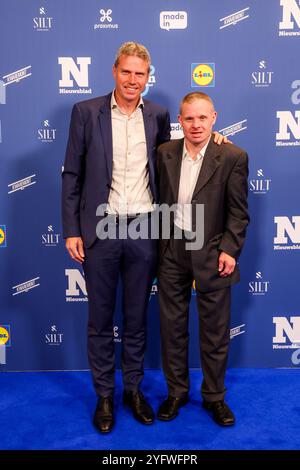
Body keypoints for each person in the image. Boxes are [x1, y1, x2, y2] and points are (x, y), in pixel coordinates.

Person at [62, 42, 227, 434]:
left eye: (140, 74)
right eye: (127, 72)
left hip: (145, 230)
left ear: (147, 77)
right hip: (100, 228)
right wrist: (71, 229)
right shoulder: (85, 113)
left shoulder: (158, 114)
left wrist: (216, 140)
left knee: (136, 319)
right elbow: (72, 175)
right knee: (100, 320)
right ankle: (104, 395)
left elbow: (180, 151)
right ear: (114, 71)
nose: (133, 80)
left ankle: (132, 391)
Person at [156, 92, 249, 426]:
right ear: (179, 122)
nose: (196, 125)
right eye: (189, 118)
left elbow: (239, 213)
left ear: (214, 118)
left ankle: (214, 397)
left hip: (212, 252)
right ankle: (176, 392)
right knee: (172, 330)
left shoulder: (233, 156)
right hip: (171, 252)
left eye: (202, 118)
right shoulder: (164, 153)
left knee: (215, 331)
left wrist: (230, 249)